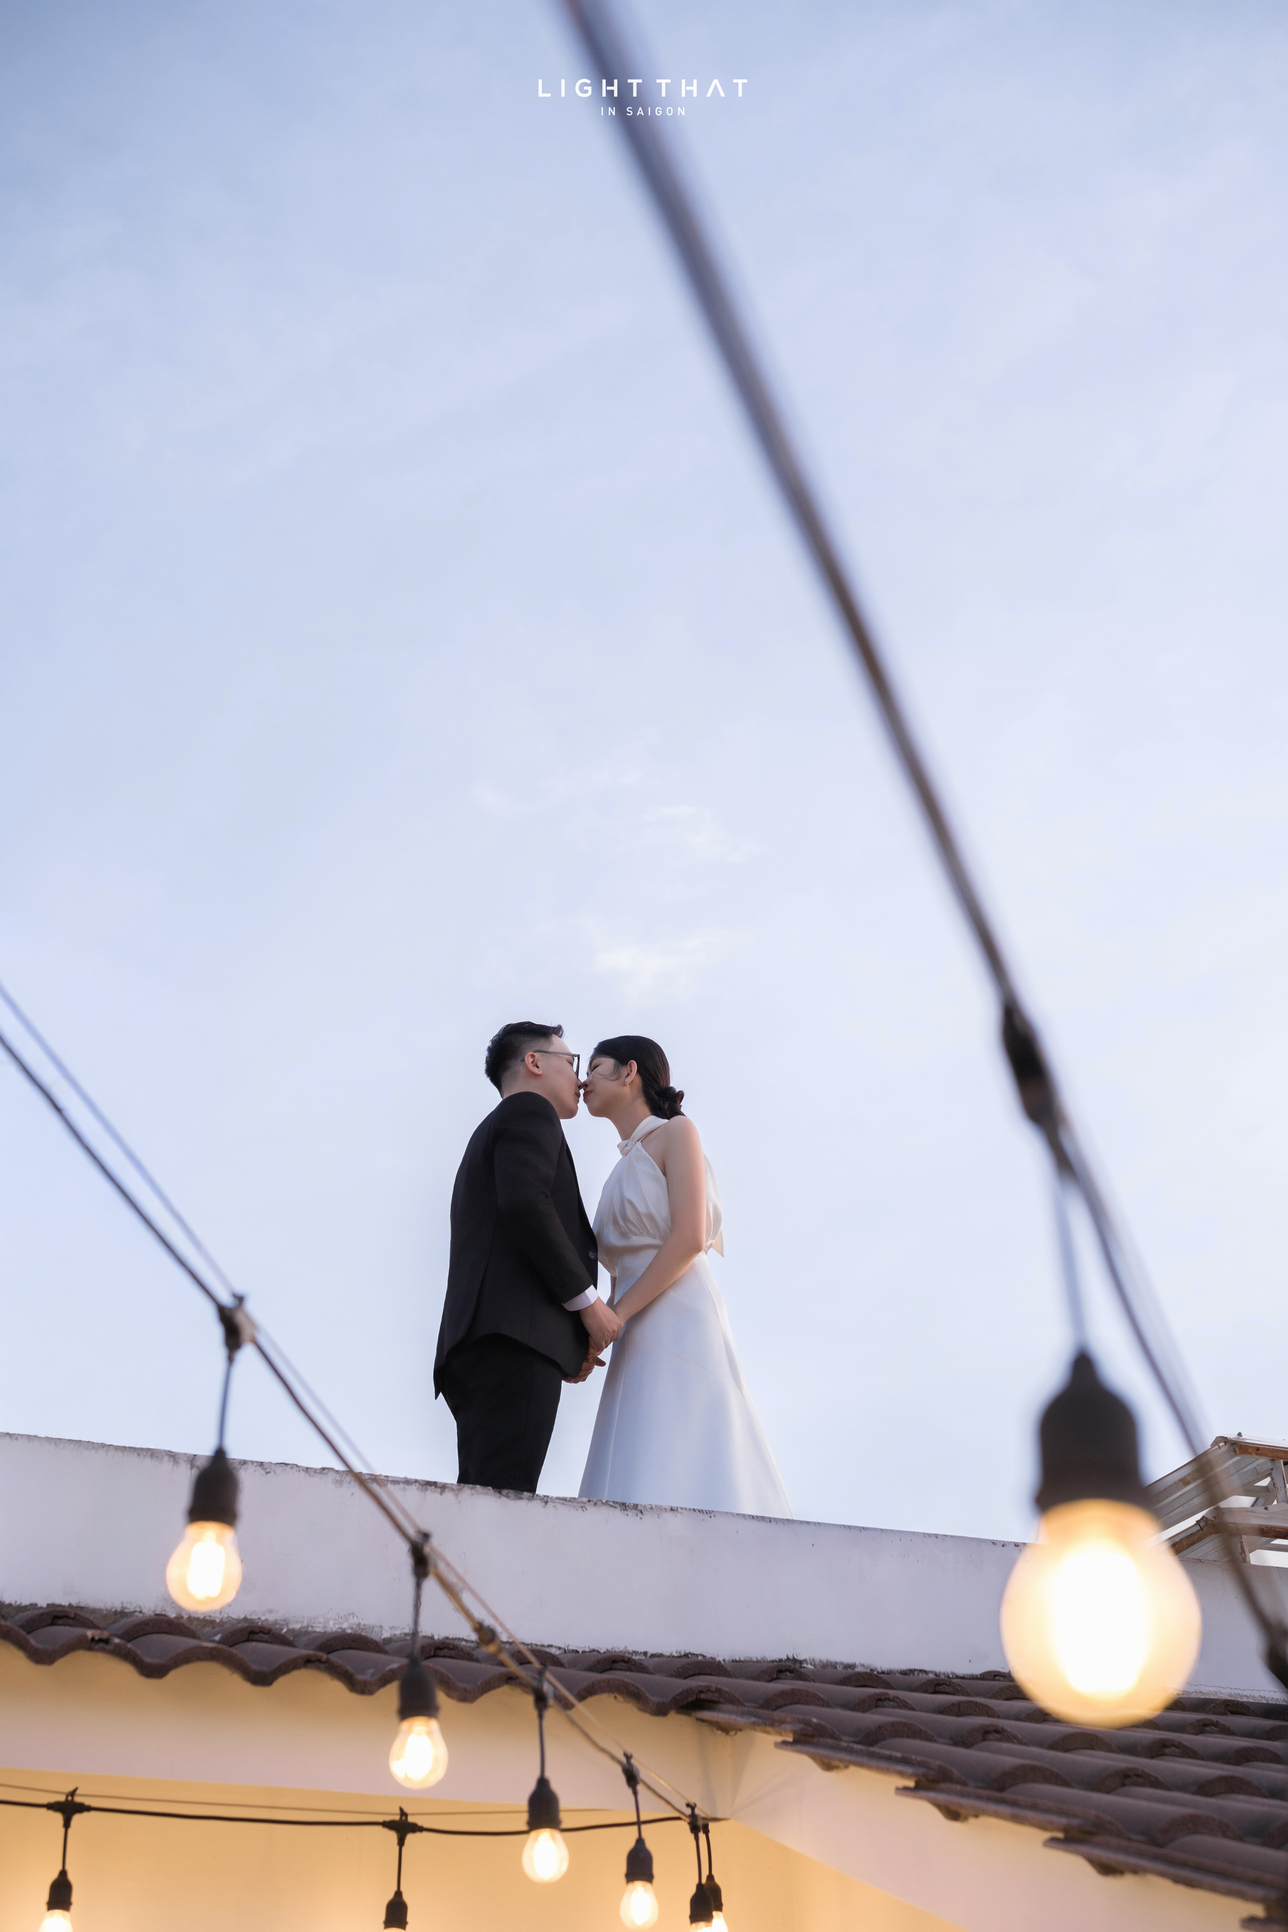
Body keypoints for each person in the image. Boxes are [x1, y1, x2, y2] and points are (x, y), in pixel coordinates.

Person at [577, 1035, 791, 1517]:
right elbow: (619, 1269)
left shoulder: (678, 1132)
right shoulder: (617, 1172)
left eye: (594, 1067)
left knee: (685, 1436)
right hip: (630, 1321)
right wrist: (597, 1334)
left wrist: (616, 1317)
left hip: (679, 1311)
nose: (583, 1080)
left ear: (629, 1071)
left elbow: (691, 1236)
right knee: (637, 1446)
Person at [435, 1021, 622, 1493]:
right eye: (572, 1062)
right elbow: (526, 1204)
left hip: (482, 1340)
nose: (580, 1078)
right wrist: (588, 1305)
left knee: (480, 1492)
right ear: (534, 1062)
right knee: (503, 1501)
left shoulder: (492, 1130)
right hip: (513, 1340)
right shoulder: (530, 1111)